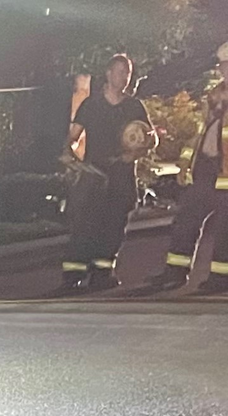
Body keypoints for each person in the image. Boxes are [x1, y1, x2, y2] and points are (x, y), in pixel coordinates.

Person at [137, 47, 228, 295]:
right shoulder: (215, 96)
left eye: (226, 64)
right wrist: (186, 162)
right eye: (221, 65)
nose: (222, 69)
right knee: (187, 218)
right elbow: (200, 133)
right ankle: (175, 271)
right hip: (207, 168)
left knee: (225, 227)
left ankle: (221, 278)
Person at [60, 54, 154, 291]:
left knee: (114, 227)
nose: (125, 78)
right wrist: (73, 160)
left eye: (128, 74)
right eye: (121, 72)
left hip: (122, 176)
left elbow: (150, 139)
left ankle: (103, 272)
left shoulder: (134, 106)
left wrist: (136, 153)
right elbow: (72, 138)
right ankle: (74, 274)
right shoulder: (91, 105)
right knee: (85, 225)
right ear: (109, 73)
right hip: (94, 176)